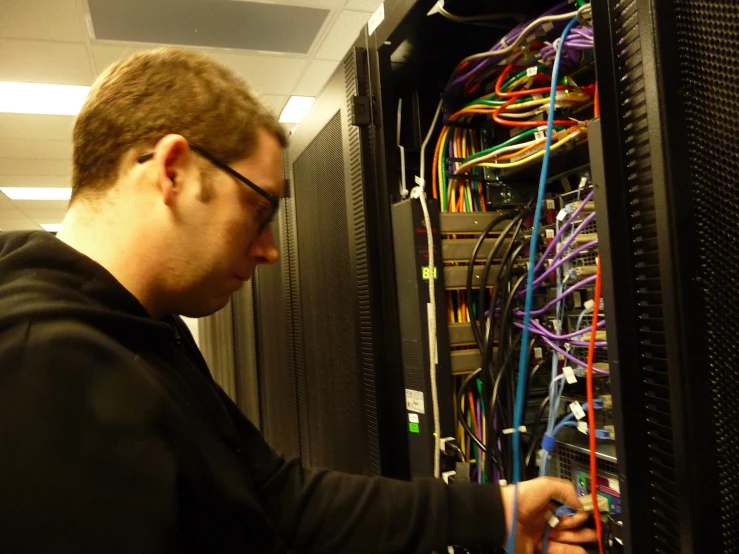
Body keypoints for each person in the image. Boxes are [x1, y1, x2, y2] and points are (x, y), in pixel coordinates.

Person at [0, 48, 597, 554]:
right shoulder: (44, 368)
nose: (269, 250)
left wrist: (492, 514)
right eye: (260, 211)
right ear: (174, 170)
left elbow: (274, 496)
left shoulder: (140, 327)